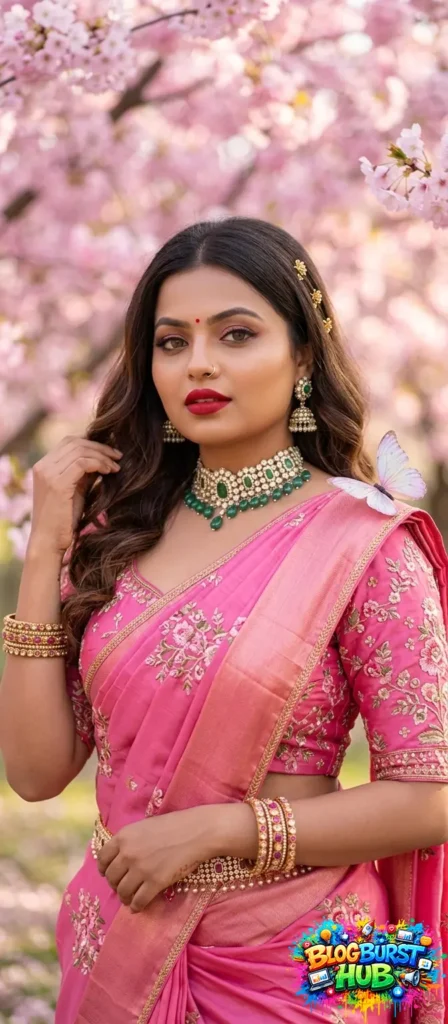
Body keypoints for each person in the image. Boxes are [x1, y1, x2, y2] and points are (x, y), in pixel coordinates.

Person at [1, 216, 448, 1024]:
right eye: (172, 342)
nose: (199, 363)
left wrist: (221, 831)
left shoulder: (367, 544)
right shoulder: (117, 535)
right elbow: (35, 775)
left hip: (309, 965)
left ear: (303, 356)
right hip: (118, 940)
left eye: (236, 334)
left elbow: (429, 799)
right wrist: (45, 555)